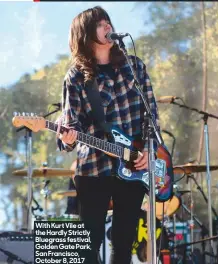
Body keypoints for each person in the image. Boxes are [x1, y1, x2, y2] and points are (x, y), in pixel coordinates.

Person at [56, 6, 160, 264]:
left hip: (134, 164)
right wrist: (67, 138)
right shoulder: (76, 76)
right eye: (100, 24)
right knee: (88, 247)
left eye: (108, 22)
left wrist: (149, 150)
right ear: (85, 33)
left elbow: (151, 114)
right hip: (93, 167)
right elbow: (71, 123)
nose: (107, 27)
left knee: (124, 243)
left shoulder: (134, 67)